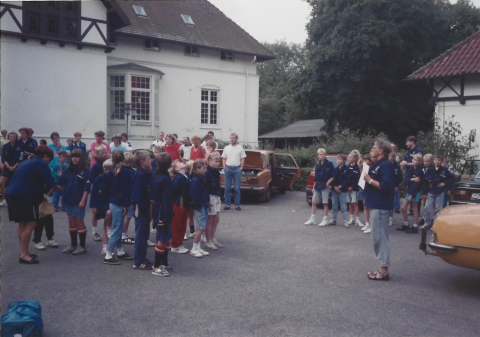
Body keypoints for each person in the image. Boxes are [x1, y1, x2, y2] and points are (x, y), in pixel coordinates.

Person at [5, 145, 60, 264]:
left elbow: (36, 181)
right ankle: (24, 255)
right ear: (45, 156)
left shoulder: (28, 162)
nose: (49, 162)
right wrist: (61, 188)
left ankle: (23, 252)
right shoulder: (41, 164)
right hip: (23, 195)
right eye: (49, 159)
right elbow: (51, 184)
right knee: (31, 223)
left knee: (23, 224)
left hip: (12, 193)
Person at [364, 139, 394, 281]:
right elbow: (367, 179)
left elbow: (386, 186)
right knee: (376, 238)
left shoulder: (386, 165)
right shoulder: (377, 164)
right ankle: (383, 267)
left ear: (381, 151)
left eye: (374, 147)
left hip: (381, 206)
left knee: (380, 239)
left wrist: (369, 180)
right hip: (375, 205)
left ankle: (384, 271)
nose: (371, 149)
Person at [57, 149, 91, 255]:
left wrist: (83, 201)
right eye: (72, 157)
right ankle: (73, 245)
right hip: (69, 199)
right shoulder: (68, 170)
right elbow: (59, 183)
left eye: (77, 157)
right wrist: (49, 191)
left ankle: (82, 246)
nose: (74, 159)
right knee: (71, 222)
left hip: (79, 200)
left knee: (79, 222)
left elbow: (86, 188)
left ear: (81, 158)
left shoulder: (86, 171)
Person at [103, 149, 133, 265]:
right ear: (123, 158)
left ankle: (120, 251)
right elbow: (126, 190)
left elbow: (107, 184)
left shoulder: (111, 170)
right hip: (120, 201)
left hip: (113, 199)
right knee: (117, 229)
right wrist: (126, 204)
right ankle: (108, 253)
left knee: (118, 227)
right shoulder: (125, 172)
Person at [150, 152, 175, 276]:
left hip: (158, 207)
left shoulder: (157, 174)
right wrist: (165, 216)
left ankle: (164, 263)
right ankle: (156, 266)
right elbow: (166, 199)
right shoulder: (164, 179)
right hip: (162, 209)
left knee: (167, 237)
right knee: (162, 238)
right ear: (170, 165)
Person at [131, 150, 154, 270]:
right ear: (142, 161)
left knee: (145, 235)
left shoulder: (145, 173)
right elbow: (138, 195)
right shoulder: (139, 175)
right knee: (141, 235)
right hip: (141, 208)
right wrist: (145, 210)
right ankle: (138, 261)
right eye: (148, 159)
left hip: (145, 207)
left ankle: (142, 257)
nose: (150, 161)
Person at [422, 154, 454, 229]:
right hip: (430, 191)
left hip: (440, 192)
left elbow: (452, 178)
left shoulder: (444, 170)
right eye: (436, 160)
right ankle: (427, 223)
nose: (437, 161)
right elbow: (425, 181)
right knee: (427, 208)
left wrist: (444, 183)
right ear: (433, 160)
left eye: (439, 160)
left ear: (441, 161)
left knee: (438, 209)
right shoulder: (429, 170)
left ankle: (435, 224)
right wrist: (424, 192)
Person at [304, 148, 334, 226]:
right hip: (317, 185)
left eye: (323, 154)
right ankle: (312, 219)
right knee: (314, 201)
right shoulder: (317, 164)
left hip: (325, 185)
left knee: (325, 202)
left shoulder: (329, 164)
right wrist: (314, 187)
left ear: (325, 155)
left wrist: (328, 182)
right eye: (321, 154)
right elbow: (316, 177)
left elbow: (334, 176)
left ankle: (325, 219)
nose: (322, 156)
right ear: (318, 156)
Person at [90, 159, 113, 255]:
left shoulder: (115, 178)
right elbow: (93, 193)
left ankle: (109, 246)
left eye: (109, 169)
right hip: (101, 203)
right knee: (107, 219)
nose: (107, 171)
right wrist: (93, 206)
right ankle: (105, 245)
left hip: (112, 202)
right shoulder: (99, 178)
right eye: (105, 169)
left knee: (111, 224)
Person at [189, 158, 210, 258]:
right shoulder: (195, 180)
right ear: (197, 168)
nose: (205, 170)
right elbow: (195, 195)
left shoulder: (201, 178)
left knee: (202, 227)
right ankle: (194, 248)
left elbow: (205, 192)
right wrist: (200, 206)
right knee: (200, 228)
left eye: (205, 168)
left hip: (204, 205)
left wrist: (207, 203)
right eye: (203, 168)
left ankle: (198, 247)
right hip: (199, 207)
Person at [399, 154, 425, 234]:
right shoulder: (411, 168)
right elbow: (406, 179)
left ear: (420, 162)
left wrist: (411, 195)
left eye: (417, 160)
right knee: (403, 208)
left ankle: (415, 226)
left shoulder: (420, 171)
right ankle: (406, 224)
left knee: (414, 208)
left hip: (415, 192)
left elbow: (416, 184)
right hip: (409, 190)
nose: (415, 161)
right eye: (414, 159)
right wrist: (412, 179)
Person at [169, 160, 191, 254]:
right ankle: (175, 244)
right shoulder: (178, 178)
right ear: (177, 169)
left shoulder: (185, 176)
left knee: (182, 224)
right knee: (176, 225)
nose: (181, 162)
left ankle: (179, 242)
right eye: (179, 163)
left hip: (184, 203)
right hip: (178, 203)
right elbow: (174, 191)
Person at [89, 144, 109, 241]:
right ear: (97, 153)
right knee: (95, 212)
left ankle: (107, 232)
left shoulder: (108, 163)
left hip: (107, 193)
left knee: (107, 213)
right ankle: (94, 232)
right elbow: (92, 182)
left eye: (105, 152)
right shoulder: (96, 166)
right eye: (102, 153)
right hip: (98, 192)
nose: (105, 154)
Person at [222, 133, 246, 211]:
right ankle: (227, 204)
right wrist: (224, 168)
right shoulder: (226, 148)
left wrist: (241, 168)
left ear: (236, 139)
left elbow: (242, 158)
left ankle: (237, 204)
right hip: (228, 168)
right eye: (230, 138)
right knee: (227, 188)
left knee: (237, 188)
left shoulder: (240, 148)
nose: (231, 139)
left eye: (233, 138)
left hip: (237, 169)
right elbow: (223, 158)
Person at [204, 152, 223, 249]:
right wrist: (207, 200)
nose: (218, 163)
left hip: (216, 195)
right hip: (210, 196)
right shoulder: (207, 172)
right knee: (210, 219)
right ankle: (208, 240)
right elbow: (205, 187)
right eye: (216, 161)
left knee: (216, 219)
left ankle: (212, 238)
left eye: (219, 161)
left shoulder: (216, 171)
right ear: (210, 161)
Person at [400, 136, 423, 215]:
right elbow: (405, 160)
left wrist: (406, 164)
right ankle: (411, 209)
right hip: (409, 173)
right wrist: (402, 164)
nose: (406, 144)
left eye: (407, 142)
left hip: (415, 173)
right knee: (409, 189)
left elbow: (416, 162)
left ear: (412, 142)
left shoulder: (418, 150)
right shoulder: (409, 151)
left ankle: (417, 210)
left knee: (415, 190)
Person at [328, 153, 350, 227]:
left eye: (340, 159)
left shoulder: (347, 169)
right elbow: (333, 179)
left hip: (342, 190)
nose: (338, 161)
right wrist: (334, 187)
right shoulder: (335, 169)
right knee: (334, 206)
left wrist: (339, 187)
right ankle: (333, 220)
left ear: (344, 160)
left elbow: (346, 180)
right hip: (335, 190)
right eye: (338, 159)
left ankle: (345, 221)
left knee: (343, 206)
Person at [1, 131, 20, 207]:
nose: (12, 138)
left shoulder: (19, 146)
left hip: (16, 167)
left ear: (16, 138)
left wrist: (14, 166)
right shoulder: (5, 146)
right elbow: (3, 158)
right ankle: (4, 200)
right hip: (7, 167)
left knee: (16, 184)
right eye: (11, 137)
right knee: (1, 183)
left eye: (14, 137)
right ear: (8, 137)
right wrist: (8, 166)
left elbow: (21, 158)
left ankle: (15, 200)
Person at [122, 152, 136, 244]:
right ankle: (123, 234)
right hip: (129, 196)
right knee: (127, 216)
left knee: (126, 216)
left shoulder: (122, 170)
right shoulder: (130, 172)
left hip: (124, 195)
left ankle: (124, 233)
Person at [346, 150, 361, 226]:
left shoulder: (357, 167)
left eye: (350, 157)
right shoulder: (348, 166)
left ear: (355, 158)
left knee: (355, 203)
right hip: (348, 188)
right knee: (350, 203)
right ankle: (351, 218)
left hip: (354, 189)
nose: (349, 159)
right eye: (349, 157)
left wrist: (352, 186)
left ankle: (357, 219)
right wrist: (347, 186)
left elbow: (357, 179)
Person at [388, 152, 402, 227]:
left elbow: (400, 177)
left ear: (393, 157)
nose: (388, 158)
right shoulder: (387, 164)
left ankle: (390, 218)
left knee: (392, 202)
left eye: (389, 156)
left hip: (394, 186)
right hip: (387, 185)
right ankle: (386, 217)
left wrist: (394, 181)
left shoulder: (397, 166)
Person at [360, 154, 372, 233]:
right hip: (362, 186)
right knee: (365, 206)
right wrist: (360, 166)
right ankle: (367, 223)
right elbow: (362, 174)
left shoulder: (371, 167)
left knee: (370, 206)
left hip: (368, 187)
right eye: (364, 160)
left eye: (366, 160)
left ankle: (371, 225)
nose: (364, 162)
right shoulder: (364, 166)